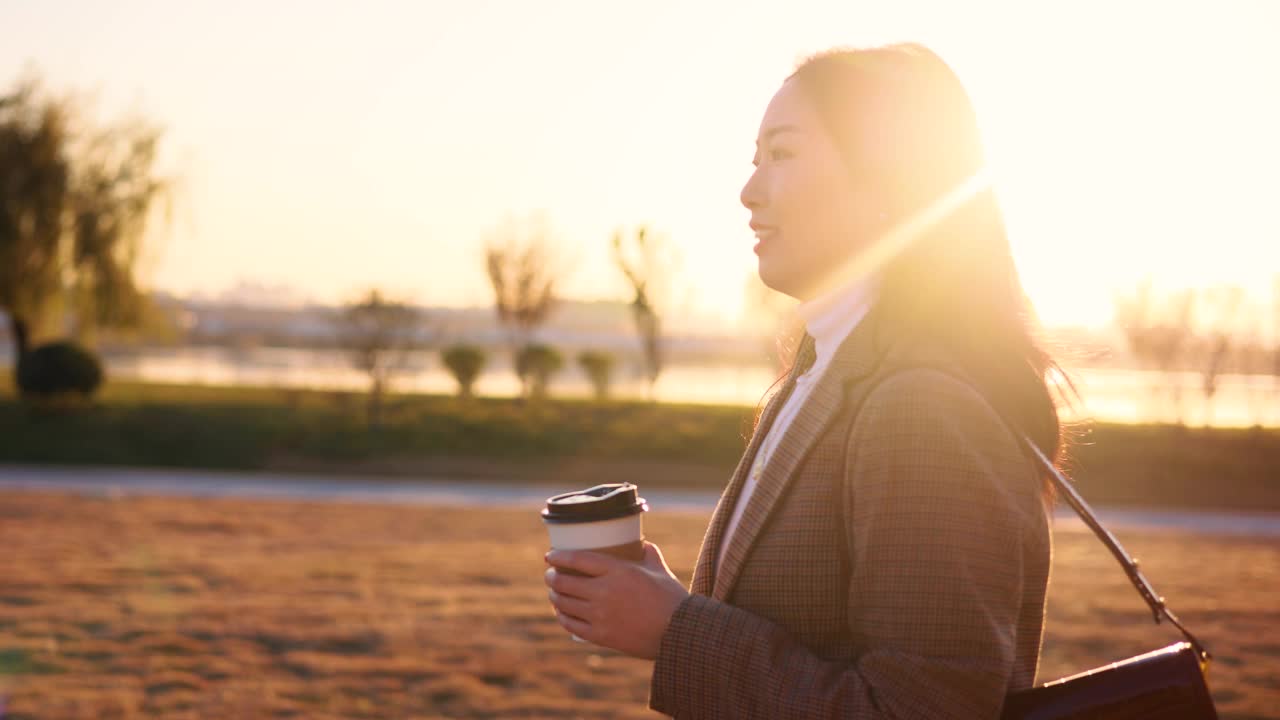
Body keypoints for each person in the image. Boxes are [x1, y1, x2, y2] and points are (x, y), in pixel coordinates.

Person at [544, 42, 1071, 719]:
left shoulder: (922, 408)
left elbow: (917, 708)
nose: (749, 190)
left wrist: (678, 631)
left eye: (783, 155)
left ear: (888, 180)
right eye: (755, 159)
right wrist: (671, 607)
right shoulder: (819, 375)